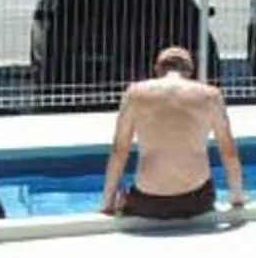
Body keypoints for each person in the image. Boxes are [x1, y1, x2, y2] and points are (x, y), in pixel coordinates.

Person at [99, 46, 248, 221]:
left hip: (148, 201)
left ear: (157, 69)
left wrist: (107, 203)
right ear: (190, 71)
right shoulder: (210, 96)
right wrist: (237, 198)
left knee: (121, 195)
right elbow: (229, 153)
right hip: (197, 200)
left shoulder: (135, 93)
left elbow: (119, 151)